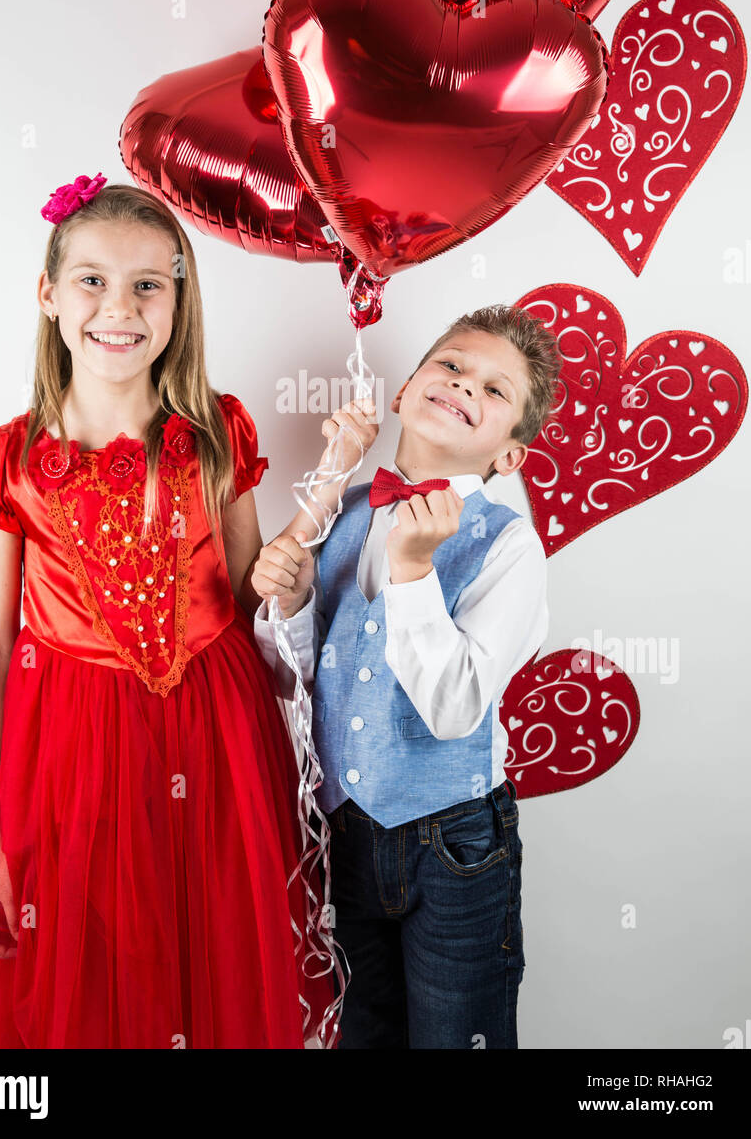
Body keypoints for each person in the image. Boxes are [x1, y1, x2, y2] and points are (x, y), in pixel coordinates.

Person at [0, 175, 334, 1049]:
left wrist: (303, 557)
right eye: (93, 281)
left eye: (149, 283)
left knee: (211, 947)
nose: (121, 307)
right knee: (89, 966)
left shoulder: (217, 433)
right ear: (49, 295)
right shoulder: (10, 460)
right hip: (68, 746)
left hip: (218, 738)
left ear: (180, 301)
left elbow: (256, 594)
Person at [251, 305, 562, 1048]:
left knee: (458, 1035)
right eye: (450, 365)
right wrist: (288, 606)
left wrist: (415, 571)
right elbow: (299, 676)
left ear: (509, 457)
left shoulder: (511, 547)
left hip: (456, 844)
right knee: (362, 1032)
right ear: (403, 391)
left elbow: (454, 706)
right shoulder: (350, 512)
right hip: (344, 830)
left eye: (494, 390)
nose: (463, 385)